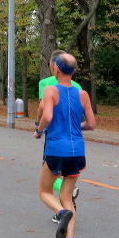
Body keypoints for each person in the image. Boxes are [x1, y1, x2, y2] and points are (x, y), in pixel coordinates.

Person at [34, 53, 96, 238]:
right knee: (67, 196)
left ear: (56, 68)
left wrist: (38, 130)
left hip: (56, 149)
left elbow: (47, 116)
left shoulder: (50, 90)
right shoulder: (83, 94)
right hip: (77, 151)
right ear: (74, 71)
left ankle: (61, 213)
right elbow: (91, 124)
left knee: (44, 191)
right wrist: (77, 127)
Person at [39, 50, 84, 224]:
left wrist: (38, 128)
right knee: (66, 182)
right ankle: (69, 236)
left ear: (53, 66)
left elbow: (43, 108)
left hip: (55, 138)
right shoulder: (78, 87)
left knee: (49, 176)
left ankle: (60, 211)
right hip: (75, 142)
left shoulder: (46, 84)